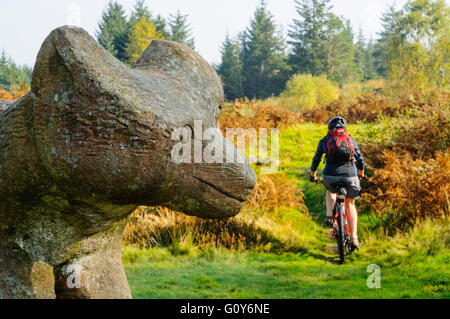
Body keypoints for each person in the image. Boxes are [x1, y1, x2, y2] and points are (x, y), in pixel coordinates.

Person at [310, 116, 365, 251]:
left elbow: (316, 159)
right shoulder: (350, 139)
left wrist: (313, 175)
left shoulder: (325, 140)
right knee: (350, 203)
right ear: (345, 128)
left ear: (329, 128)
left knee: (331, 191)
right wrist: (361, 174)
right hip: (350, 176)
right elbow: (360, 159)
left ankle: (329, 215)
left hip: (330, 175)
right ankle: (354, 238)